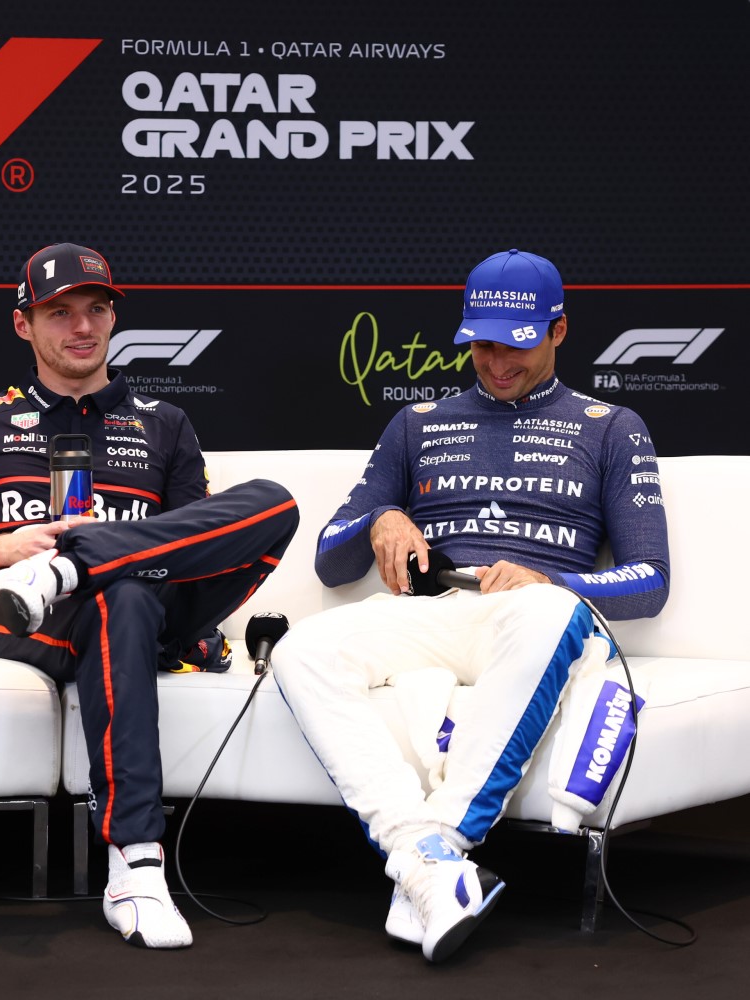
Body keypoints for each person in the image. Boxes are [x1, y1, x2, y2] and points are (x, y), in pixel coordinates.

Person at [272, 249, 670, 962]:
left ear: (558, 330)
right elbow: (331, 560)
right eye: (482, 344)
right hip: (434, 608)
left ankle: (445, 839)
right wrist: (381, 519)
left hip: (538, 618)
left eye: (516, 344)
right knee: (304, 649)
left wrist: (555, 583)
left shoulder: (611, 425)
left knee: (544, 616)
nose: (497, 362)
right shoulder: (418, 422)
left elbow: (648, 580)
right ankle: (422, 858)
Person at [0, 243, 300, 949]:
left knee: (274, 504)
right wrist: (18, 550)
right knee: (120, 595)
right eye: (59, 313)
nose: (82, 327)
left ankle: (77, 566)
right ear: (23, 325)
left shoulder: (166, 423)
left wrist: (85, 557)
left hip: (149, 608)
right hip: (24, 614)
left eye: (96, 309)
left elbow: (202, 548)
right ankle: (136, 864)